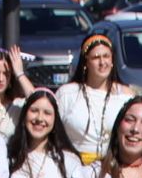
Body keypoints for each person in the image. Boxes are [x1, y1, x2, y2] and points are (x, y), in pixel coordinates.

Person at [54, 32, 133, 163]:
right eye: (96, 57)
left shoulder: (126, 96)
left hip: (113, 166)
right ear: (86, 63)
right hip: (74, 166)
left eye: (106, 56)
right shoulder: (67, 94)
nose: (102, 62)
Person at [0, 46, 34, 140]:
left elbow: (37, 100)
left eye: (6, 73)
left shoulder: (16, 106)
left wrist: (20, 73)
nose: (1, 79)